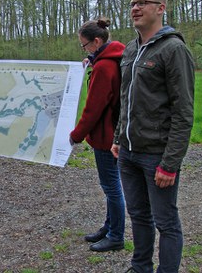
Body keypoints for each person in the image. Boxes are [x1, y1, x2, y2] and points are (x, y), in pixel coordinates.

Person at [111, 0, 194, 273]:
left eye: (144, 3)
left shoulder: (174, 49)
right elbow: (126, 98)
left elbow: (183, 112)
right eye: (133, 3)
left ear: (161, 9)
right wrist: (118, 137)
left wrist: (170, 164)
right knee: (138, 216)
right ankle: (140, 267)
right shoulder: (132, 48)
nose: (136, 8)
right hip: (128, 153)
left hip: (156, 156)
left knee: (166, 222)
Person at [69, 17, 126, 252]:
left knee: (112, 186)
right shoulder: (112, 59)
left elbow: (93, 108)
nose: (84, 49)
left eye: (85, 46)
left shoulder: (104, 67)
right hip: (114, 133)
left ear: (96, 41)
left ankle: (116, 235)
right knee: (112, 185)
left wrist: (76, 134)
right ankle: (109, 226)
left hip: (106, 137)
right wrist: (92, 60)